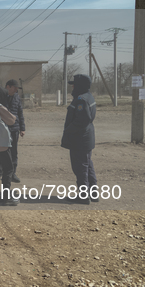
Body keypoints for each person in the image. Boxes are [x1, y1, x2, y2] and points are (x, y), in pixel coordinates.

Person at [61, 74, 97, 204]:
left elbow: (82, 121)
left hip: (80, 140)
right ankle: (93, 193)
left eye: (74, 84)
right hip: (86, 138)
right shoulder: (88, 97)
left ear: (80, 85)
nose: (72, 87)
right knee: (87, 165)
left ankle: (83, 196)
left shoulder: (81, 99)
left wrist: (68, 130)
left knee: (80, 167)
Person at [5, 79, 25, 183]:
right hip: (3, 129)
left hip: (15, 129)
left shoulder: (17, 97)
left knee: (13, 153)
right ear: (8, 87)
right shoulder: (1, 96)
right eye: (14, 88)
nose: (16, 90)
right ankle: (2, 173)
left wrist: (22, 128)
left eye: (17, 89)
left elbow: (20, 113)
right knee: (3, 152)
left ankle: (12, 173)